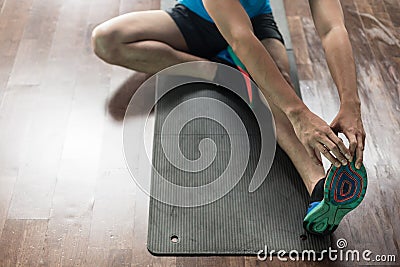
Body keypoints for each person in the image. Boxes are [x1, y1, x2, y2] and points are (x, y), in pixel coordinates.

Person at [91, 0, 367, 235]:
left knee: (277, 88)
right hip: (198, 19)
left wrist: (351, 104)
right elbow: (239, 37)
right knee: (106, 40)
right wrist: (300, 114)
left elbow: (332, 28)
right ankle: (219, 70)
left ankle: (319, 188)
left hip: (254, 20)